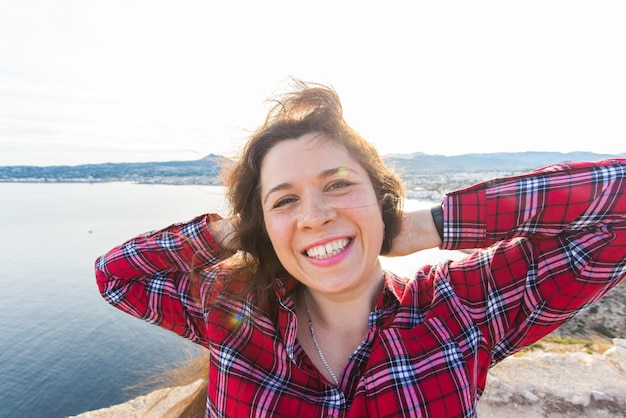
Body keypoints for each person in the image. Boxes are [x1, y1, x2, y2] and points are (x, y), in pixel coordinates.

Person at [95, 81, 626, 417]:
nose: (314, 216)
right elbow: (115, 275)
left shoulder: (463, 307)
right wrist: (237, 233)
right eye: (285, 200)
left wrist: (431, 227)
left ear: (382, 196)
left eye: (338, 184)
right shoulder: (230, 307)